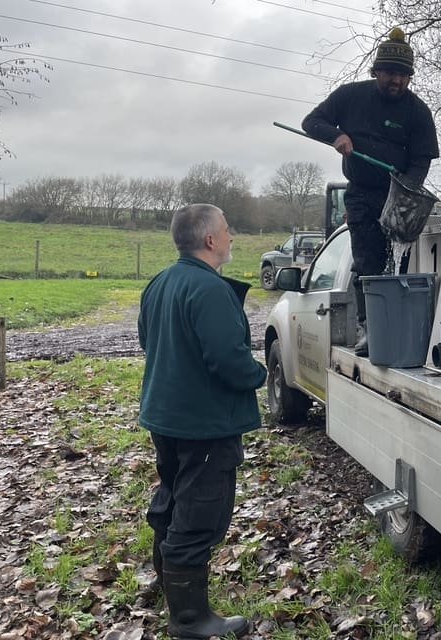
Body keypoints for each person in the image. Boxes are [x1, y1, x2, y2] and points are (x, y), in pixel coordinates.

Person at [137, 203, 266, 639]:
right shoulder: (210, 289)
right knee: (200, 513)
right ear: (210, 240)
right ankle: (190, 620)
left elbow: (146, 341)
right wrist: (259, 373)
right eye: (227, 231)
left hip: (166, 415)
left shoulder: (160, 283)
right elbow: (229, 362)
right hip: (204, 423)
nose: (231, 238)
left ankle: (164, 580)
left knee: (172, 495)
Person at [302, 27, 439, 357]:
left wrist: (406, 191)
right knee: (367, 262)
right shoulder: (351, 96)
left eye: (403, 75)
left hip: (400, 196)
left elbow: (421, 160)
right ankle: (369, 328)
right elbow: (311, 122)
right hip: (362, 194)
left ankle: (407, 326)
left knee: (404, 266)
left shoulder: (417, 111)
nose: (396, 81)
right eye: (391, 73)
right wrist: (335, 136)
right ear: (377, 71)